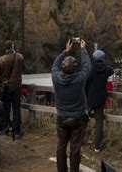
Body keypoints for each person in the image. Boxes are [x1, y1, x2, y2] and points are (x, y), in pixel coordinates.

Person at [52, 39, 91, 172]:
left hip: (62, 117)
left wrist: (65, 51)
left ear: (62, 67)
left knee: (61, 145)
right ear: (75, 68)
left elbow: (55, 64)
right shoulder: (80, 79)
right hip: (78, 118)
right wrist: (83, 49)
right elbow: (87, 66)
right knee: (75, 148)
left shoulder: (55, 77)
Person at [0, 40, 25, 139]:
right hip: (16, 87)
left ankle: (6, 128)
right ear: (13, 47)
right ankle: (17, 131)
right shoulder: (20, 57)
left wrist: (1, 84)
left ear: (5, 48)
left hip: (5, 88)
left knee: (5, 109)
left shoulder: (0, 60)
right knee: (16, 109)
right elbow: (23, 69)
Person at [85, 49, 114, 152]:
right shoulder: (106, 69)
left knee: (83, 119)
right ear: (102, 59)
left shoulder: (89, 69)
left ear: (93, 58)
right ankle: (97, 146)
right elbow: (112, 70)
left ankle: (81, 140)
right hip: (101, 99)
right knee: (99, 122)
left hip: (89, 98)